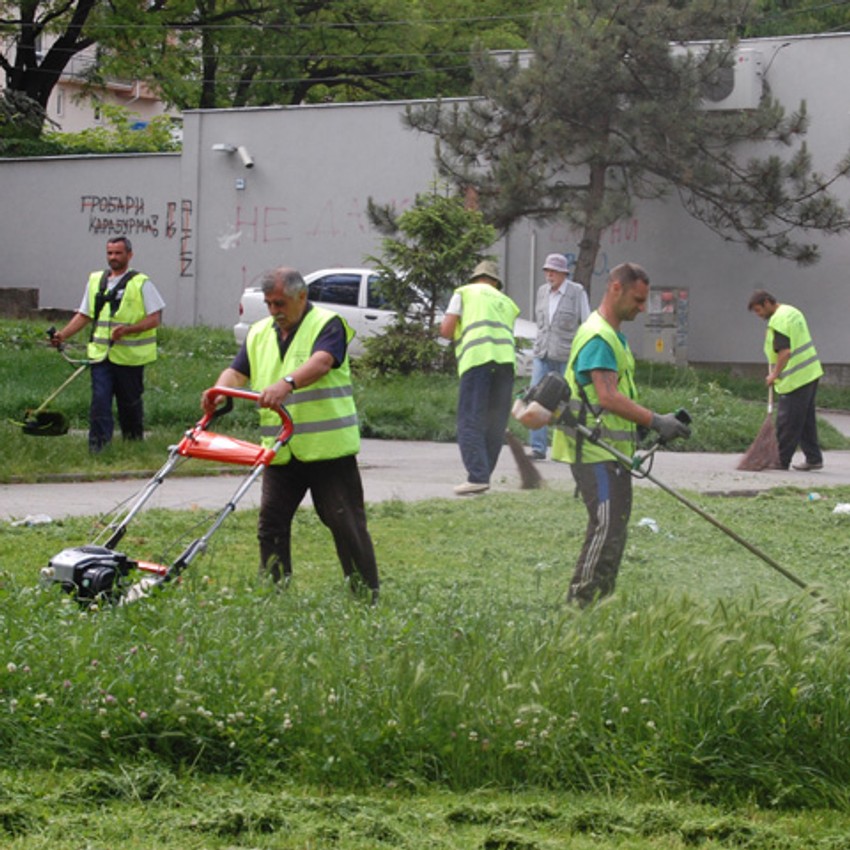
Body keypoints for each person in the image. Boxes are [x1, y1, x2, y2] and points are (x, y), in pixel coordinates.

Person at [201, 266, 380, 603]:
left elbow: (323, 362)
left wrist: (287, 383)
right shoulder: (258, 333)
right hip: (281, 451)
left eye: (280, 304)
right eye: (269, 304)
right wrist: (219, 390)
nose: (274, 311)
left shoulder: (328, 324)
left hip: (328, 451)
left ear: (302, 297)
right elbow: (237, 372)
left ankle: (365, 596)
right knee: (271, 526)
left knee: (345, 525)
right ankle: (274, 593)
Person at [549, 262, 690, 607]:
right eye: (638, 300)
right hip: (594, 451)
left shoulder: (613, 336)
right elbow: (608, 396)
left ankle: (598, 601)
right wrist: (656, 420)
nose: (642, 308)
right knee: (606, 527)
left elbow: (614, 395)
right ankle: (580, 605)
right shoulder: (599, 337)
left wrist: (640, 424)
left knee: (614, 530)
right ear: (616, 288)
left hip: (611, 450)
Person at [51, 236, 164, 453]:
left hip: (130, 358)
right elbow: (84, 315)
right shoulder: (95, 281)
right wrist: (62, 335)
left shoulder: (141, 283)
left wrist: (128, 330)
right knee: (100, 401)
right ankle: (99, 448)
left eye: (118, 253)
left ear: (129, 255)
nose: (113, 257)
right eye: (110, 253)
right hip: (101, 356)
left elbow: (154, 318)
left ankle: (133, 445)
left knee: (129, 404)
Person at [440, 259, 520, 495]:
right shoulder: (507, 302)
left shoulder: (464, 293)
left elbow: (446, 330)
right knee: (495, 422)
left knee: (470, 419)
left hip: (477, 360)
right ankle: (484, 475)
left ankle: (477, 476)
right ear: (496, 282)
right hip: (505, 363)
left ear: (475, 278)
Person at [747, 290, 824, 471]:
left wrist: (774, 374)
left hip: (795, 378)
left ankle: (781, 460)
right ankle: (813, 458)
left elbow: (785, 352)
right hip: (810, 372)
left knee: (787, 421)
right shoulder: (791, 311)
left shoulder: (779, 320)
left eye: (759, 310)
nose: (759, 315)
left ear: (767, 303)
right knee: (805, 420)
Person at [528, 253, 591, 459]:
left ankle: (568, 448)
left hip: (566, 355)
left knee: (568, 402)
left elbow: (587, 323)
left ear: (564, 273)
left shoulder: (576, 292)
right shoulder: (542, 292)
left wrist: (583, 354)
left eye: (553, 271)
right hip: (543, 352)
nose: (549, 275)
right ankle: (538, 448)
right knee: (536, 397)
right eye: (547, 271)